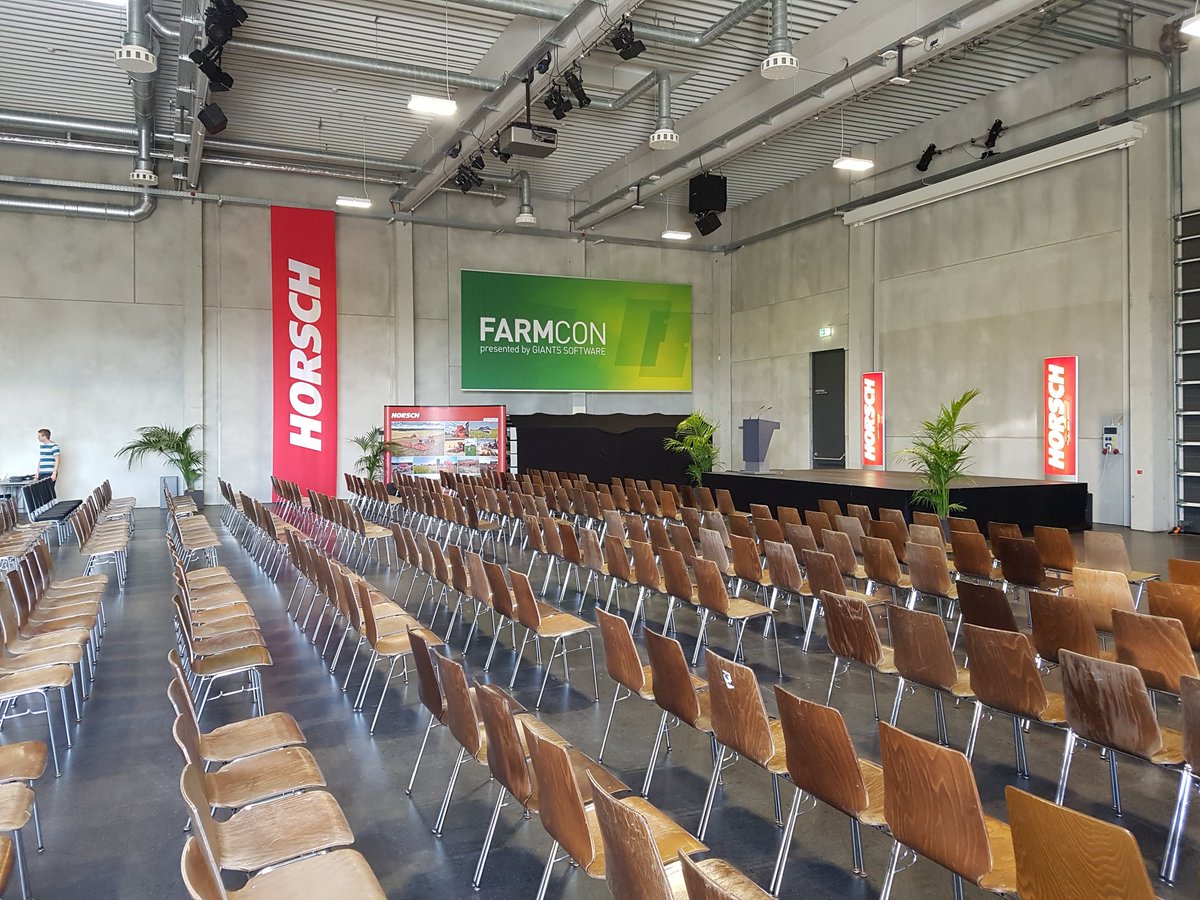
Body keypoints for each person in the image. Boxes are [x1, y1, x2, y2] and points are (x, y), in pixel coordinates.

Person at [37, 429, 60, 500]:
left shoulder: (54, 446)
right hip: (42, 473)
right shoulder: (42, 446)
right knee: (42, 493)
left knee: (48, 492)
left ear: (45, 437)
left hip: (49, 472)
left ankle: (53, 506)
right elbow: (41, 460)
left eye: (39, 436)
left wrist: (54, 473)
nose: (38, 438)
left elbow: (57, 460)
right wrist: (37, 472)